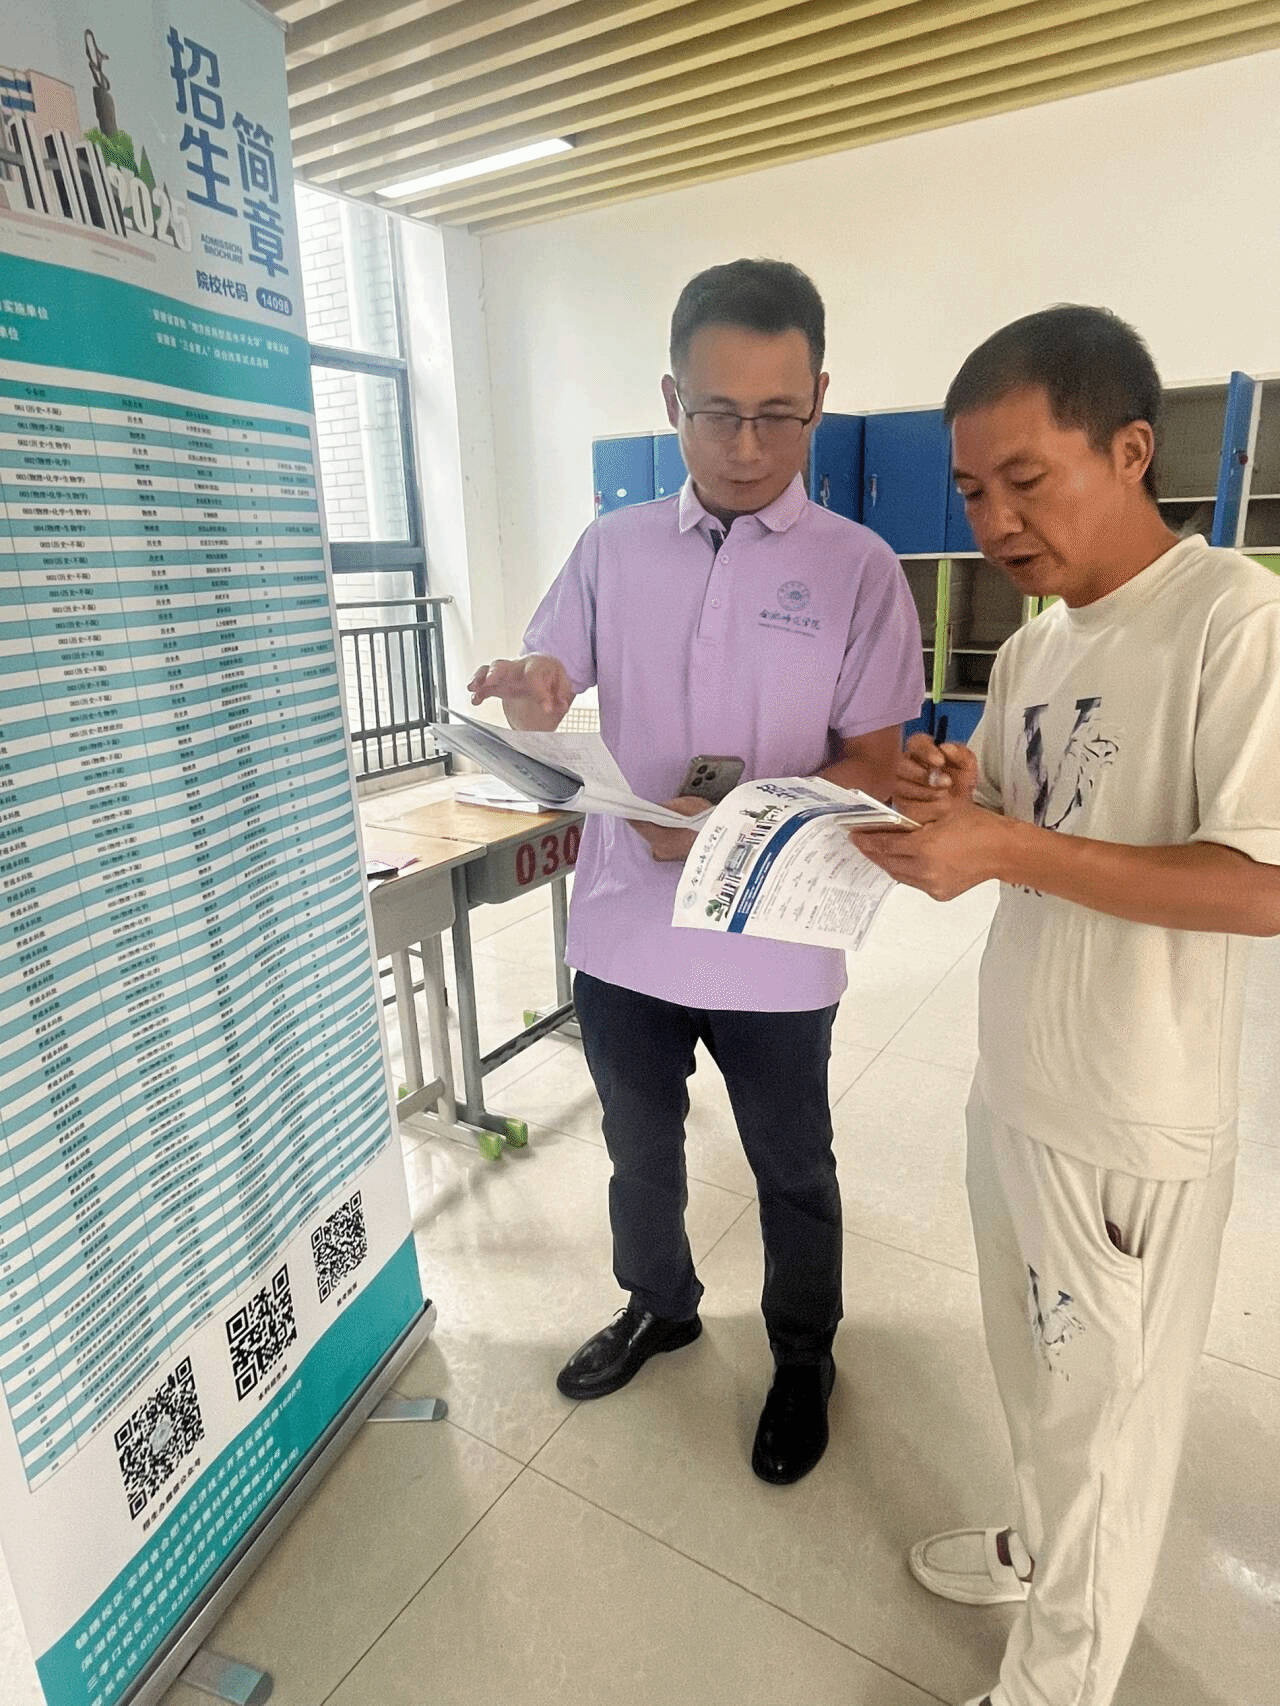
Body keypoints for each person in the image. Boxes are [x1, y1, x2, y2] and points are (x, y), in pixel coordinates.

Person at [850, 305, 1280, 1706]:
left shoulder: (1232, 619)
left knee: (1108, 1438)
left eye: (1024, 480)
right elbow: (1022, 816)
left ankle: (1056, 1686)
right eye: (972, 491)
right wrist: (954, 800)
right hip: (1018, 1086)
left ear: (1131, 449)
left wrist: (1006, 844)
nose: (994, 521)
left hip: (1129, 1118)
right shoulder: (1036, 647)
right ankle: (1038, 1550)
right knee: (1038, 1382)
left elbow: (1260, 886)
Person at [469, 258, 924, 1483]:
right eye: (717, 412)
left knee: (791, 1165)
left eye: (778, 413)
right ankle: (659, 1303)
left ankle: (802, 1351)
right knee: (640, 1148)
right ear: (670, 399)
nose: (746, 444)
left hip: (776, 945)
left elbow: (873, 762)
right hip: (626, 929)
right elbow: (549, 681)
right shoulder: (611, 547)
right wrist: (535, 692)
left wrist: (729, 822)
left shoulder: (858, 568)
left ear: (818, 398)